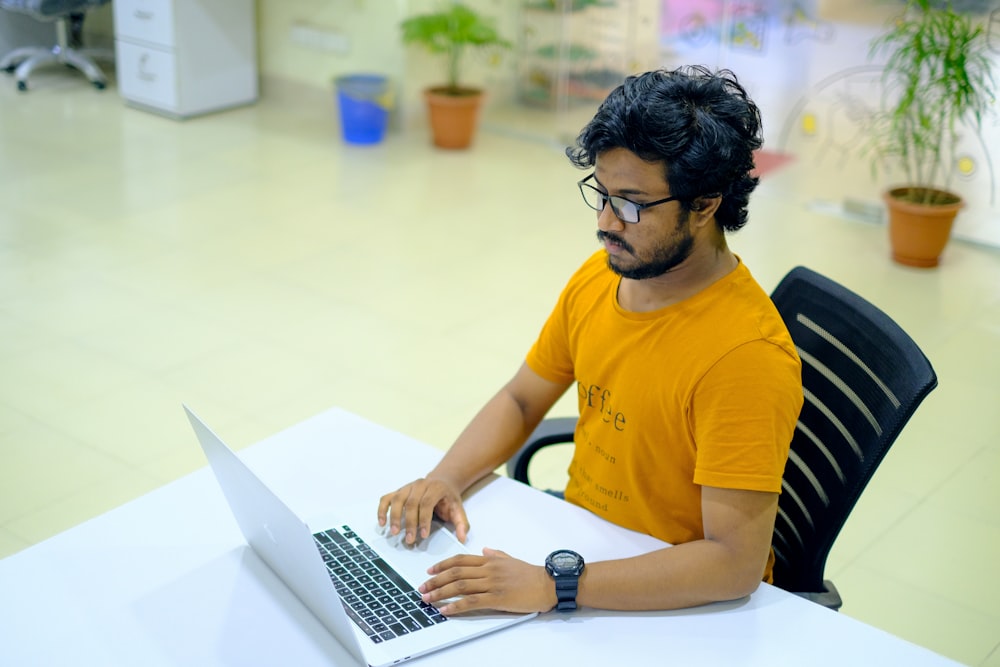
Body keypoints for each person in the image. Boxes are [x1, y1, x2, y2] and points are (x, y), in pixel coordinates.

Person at [377, 66, 803, 616]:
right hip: (583, 542)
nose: (606, 222)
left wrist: (557, 587)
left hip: (673, 596)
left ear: (704, 205)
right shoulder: (603, 277)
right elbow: (522, 398)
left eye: (631, 203)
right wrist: (444, 481)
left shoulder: (745, 358)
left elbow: (733, 563)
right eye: (600, 193)